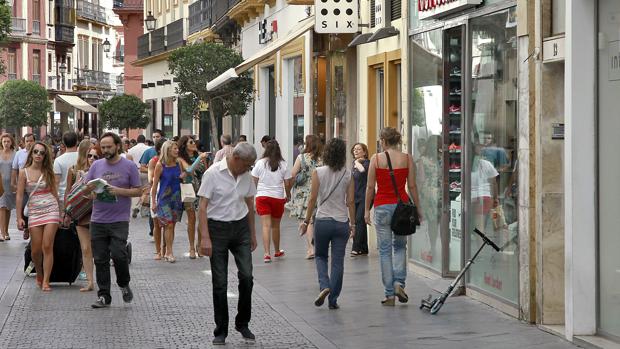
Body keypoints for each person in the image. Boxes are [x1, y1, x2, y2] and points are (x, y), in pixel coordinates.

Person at [198, 143, 258, 345]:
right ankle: (220, 330)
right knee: (220, 282)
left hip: (240, 228)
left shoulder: (246, 176)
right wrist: (204, 238)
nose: (249, 168)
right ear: (236, 159)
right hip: (217, 230)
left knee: (247, 276)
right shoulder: (212, 173)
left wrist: (253, 234)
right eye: (247, 164)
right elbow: (203, 207)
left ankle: (242, 323)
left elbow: (250, 204)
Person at [84, 132, 142, 309]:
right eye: (103, 147)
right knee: (100, 258)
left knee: (118, 254)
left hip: (119, 219)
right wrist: (92, 192)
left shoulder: (130, 166)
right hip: (98, 219)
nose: (106, 150)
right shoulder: (96, 166)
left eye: (109, 147)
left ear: (118, 146)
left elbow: (138, 191)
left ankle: (124, 283)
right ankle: (104, 296)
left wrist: (118, 191)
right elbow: (86, 189)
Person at [365, 127, 422, 306]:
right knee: (400, 247)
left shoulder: (376, 159)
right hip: (402, 208)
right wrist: (418, 208)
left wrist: (366, 210)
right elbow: (412, 186)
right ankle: (399, 283)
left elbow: (369, 187)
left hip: (382, 206)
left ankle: (389, 294)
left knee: (384, 250)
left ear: (383, 140)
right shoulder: (407, 158)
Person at [300, 138, 355, 310]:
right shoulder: (347, 174)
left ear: (327, 152)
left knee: (320, 256)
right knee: (338, 261)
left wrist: (306, 221)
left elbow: (312, 199)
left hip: (323, 220)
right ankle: (333, 300)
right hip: (341, 222)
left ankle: (324, 285)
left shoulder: (319, 172)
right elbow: (351, 201)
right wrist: (353, 224)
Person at [16, 142, 61, 292]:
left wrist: (60, 213)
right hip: (34, 211)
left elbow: (55, 193)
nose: (38, 155)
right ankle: (39, 274)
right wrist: (19, 217)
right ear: (31, 154)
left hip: (51, 208)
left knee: (47, 245)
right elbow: (20, 196)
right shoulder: (24, 172)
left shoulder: (49, 171)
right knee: (35, 250)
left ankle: (46, 281)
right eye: (36, 152)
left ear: (45, 156)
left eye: (42, 153)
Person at [65, 140, 101, 292]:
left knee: (99, 249)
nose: (92, 158)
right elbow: (68, 192)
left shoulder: (102, 173)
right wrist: (66, 212)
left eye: (96, 156)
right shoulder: (74, 171)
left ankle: (101, 279)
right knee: (85, 248)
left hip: (100, 214)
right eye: (89, 155)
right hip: (81, 214)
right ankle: (90, 281)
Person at [251, 140, 292, 263]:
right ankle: (277, 251)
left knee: (265, 226)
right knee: (275, 226)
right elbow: (287, 183)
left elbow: (254, 180)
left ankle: (266, 253)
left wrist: (254, 196)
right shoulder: (283, 164)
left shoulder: (260, 163)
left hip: (262, 196)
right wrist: (288, 195)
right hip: (277, 198)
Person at [290, 135, 323, 259]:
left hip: (303, 192)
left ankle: (310, 249)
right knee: (318, 220)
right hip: (320, 190)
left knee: (307, 220)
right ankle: (319, 245)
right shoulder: (322, 158)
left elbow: (293, 174)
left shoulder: (301, 157)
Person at [151, 140, 184, 263]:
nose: (177, 150)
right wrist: (154, 202)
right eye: (174, 149)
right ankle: (169, 252)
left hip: (176, 198)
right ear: (168, 150)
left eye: (177, 148)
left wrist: (183, 176)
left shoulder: (178, 163)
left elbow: (181, 177)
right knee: (168, 224)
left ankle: (167, 250)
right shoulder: (160, 165)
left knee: (172, 226)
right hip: (164, 199)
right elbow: (154, 185)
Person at [178, 135, 208, 259]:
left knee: (201, 218)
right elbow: (189, 169)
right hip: (188, 189)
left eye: (194, 141)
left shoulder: (200, 155)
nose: (194, 144)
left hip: (201, 188)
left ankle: (199, 245)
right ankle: (191, 247)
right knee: (191, 219)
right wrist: (200, 158)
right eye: (191, 142)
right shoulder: (180, 158)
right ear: (185, 145)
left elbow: (206, 171)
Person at [350, 142, 370, 256]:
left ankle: (356, 247)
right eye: (354, 149)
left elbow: (362, 171)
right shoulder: (354, 164)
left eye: (358, 149)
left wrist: (357, 162)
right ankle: (364, 247)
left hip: (365, 197)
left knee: (359, 220)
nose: (356, 151)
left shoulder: (366, 163)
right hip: (355, 197)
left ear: (364, 152)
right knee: (360, 221)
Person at [148, 139, 166, 256]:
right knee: (157, 224)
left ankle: (165, 250)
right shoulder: (154, 161)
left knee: (167, 224)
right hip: (157, 191)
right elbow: (150, 179)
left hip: (167, 193)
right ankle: (158, 251)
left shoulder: (173, 161)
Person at [54, 131, 79, 203]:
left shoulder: (58, 160)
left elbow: (56, 182)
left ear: (64, 143)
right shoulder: (82, 158)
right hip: (79, 196)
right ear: (77, 142)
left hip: (62, 197)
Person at [0, 134, 16, 241]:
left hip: (10, 184)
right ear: (1, 142)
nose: (6, 143)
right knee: (2, 207)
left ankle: (6, 230)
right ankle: (2, 232)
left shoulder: (15, 154)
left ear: (11, 143)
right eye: (4, 141)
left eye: (8, 141)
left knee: (8, 208)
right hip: (0, 184)